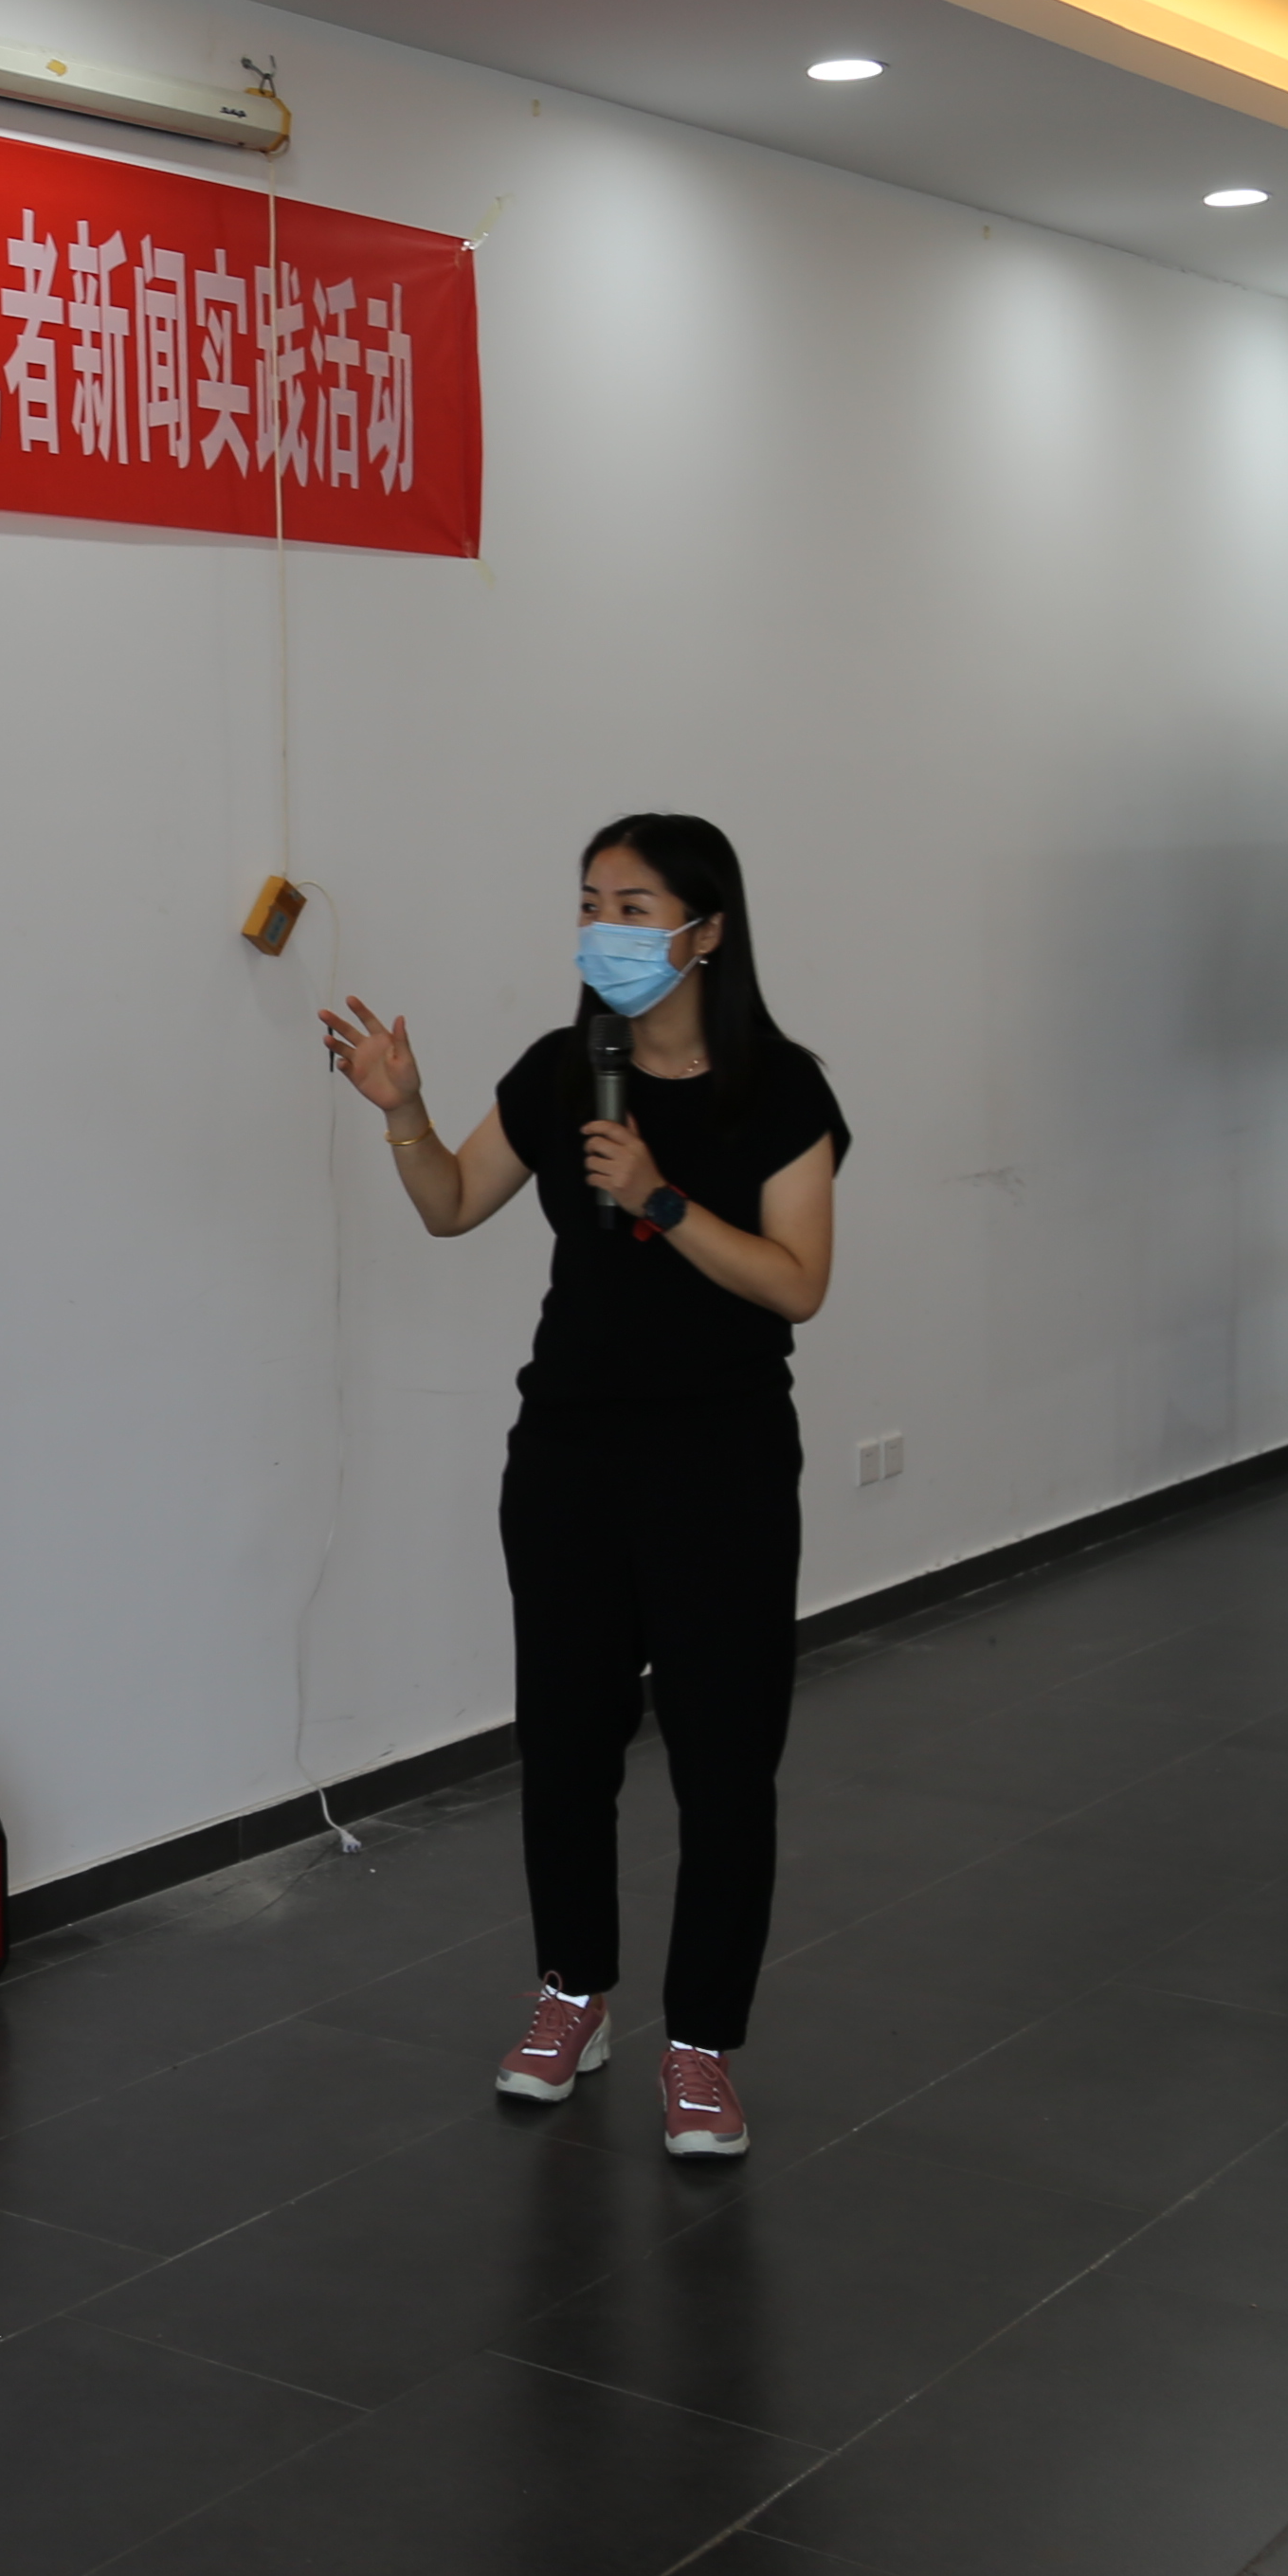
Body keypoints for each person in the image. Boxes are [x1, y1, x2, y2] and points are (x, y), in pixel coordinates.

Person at [321, 814, 845, 2159]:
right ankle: (572, 1995)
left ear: (705, 931)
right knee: (565, 1750)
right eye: (590, 903)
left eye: (633, 907)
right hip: (569, 1459)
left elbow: (797, 1284)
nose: (603, 930)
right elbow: (450, 1204)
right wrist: (404, 1113)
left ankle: (701, 2046)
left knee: (725, 1768)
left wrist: (664, 1200)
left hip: (723, 1464)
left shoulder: (780, 1091)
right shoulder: (563, 1074)